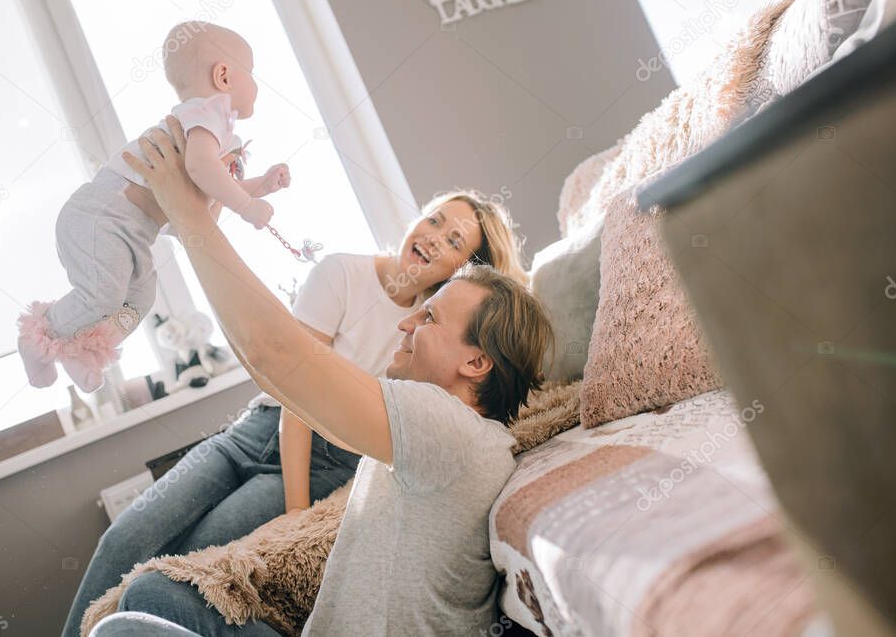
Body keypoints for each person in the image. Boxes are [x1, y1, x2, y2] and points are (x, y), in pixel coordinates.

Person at [87, 119, 553, 636]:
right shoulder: (428, 418)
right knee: (147, 588)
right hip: (259, 435)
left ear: (476, 363)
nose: (407, 321)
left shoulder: (445, 426)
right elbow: (281, 369)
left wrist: (189, 212)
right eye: (434, 221)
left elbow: (277, 352)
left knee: (126, 620)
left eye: (429, 318)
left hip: (319, 457)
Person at [17, 21, 290, 394]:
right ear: (224, 76)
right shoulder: (206, 112)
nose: (257, 83)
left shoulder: (212, 131)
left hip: (131, 232)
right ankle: (40, 335)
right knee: (103, 296)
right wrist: (245, 205)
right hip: (101, 217)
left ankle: (81, 351)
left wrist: (261, 187)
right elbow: (200, 169)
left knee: (140, 298)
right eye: (252, 73)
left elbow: (208, 186)